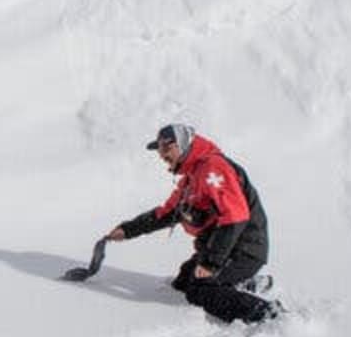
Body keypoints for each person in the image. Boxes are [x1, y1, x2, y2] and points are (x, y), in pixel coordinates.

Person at [107, 124, 281, 323]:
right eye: (159, 149)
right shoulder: (191, 178)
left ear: (183, 144)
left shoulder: (213, 168)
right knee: (183, 282)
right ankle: (243, 284)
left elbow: (235, 216)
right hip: (223, 248)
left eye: (167, 147)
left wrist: (210, 263)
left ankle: (267, 313)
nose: (161, 154)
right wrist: (127, 230)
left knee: (200, 289)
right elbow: (167, 213)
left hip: (244, 248)